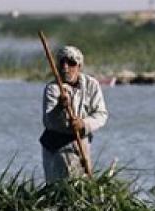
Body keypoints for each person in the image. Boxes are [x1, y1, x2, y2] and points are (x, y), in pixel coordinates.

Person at [40, 45, 108, 182]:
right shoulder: (52, 89)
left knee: (82, 185)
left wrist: (83, 124)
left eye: (71, 63)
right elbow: (49, 122)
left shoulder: (91, 85)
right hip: (55, 146)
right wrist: (60, 107)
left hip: (80, 143)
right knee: (59, 188)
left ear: (79, 66)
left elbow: (101, 114)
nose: (65, 67)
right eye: (62, 63)